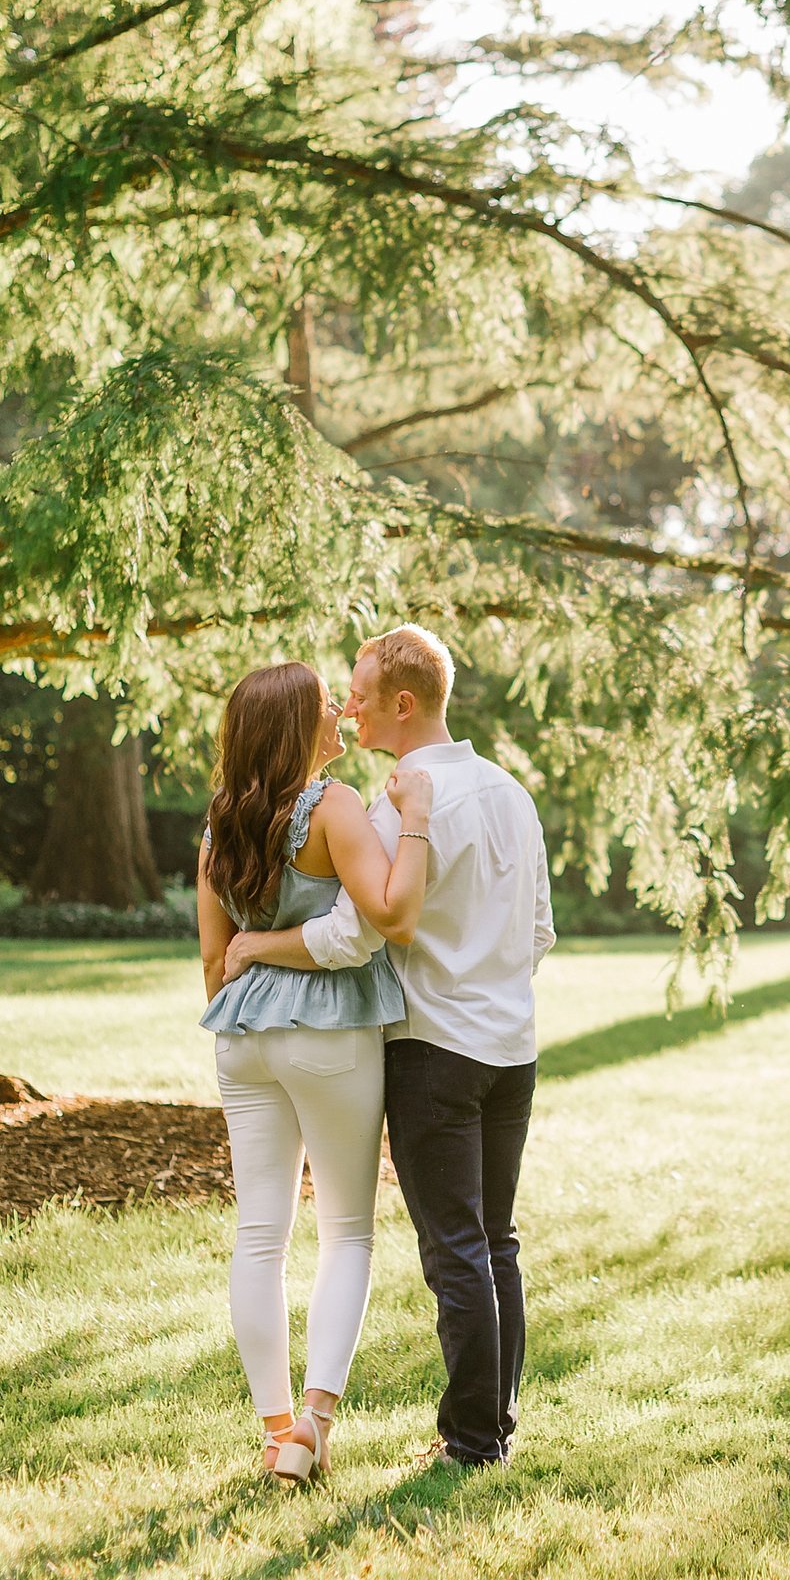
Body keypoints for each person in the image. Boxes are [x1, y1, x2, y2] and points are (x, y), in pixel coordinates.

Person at [221, 625, 555, 1468]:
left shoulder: (392, 805)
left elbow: (350, 935)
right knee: (496, 1241)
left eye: (361, 692)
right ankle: (490, 1427)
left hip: (432, 1046)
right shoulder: (512, 794)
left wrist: (258, 947)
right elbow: (540, 930)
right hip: (511, 1047)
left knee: (455, 1251)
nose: (349, 705)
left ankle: (473, 1441)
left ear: (403, 704)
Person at [195, 661, 434, 1486]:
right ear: (299, 727)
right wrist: (414, 824)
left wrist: (246, 998)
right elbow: (383, 911)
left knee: (259, 1236)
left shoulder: (220, 821)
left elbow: (211, 957)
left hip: (242, 1035)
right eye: (328, 704)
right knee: (347, 1230)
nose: (342, 711)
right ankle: (314, 1424)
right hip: (328, 1029)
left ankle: (271, 1428)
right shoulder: (331, 808)